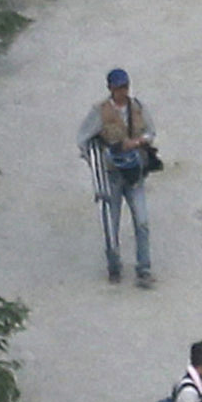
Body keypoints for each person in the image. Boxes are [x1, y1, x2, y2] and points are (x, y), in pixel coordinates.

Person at [82, 71, 163, 285]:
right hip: (112, 176)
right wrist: (97, 161)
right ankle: (114, 266)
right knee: (112, 223)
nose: (123, 91)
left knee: (142, 222)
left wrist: (137, 143)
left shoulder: (137, 107)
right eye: (119, 87)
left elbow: (151, 132)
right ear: (110, 88)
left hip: (135, 174)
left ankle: (144, 269)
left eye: (125, 86)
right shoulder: (99, 112)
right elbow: (84, 139)